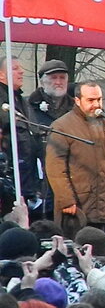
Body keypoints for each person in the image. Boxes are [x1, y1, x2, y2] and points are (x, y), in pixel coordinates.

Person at [45, 81, 105, 232]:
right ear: (78, 101)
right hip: (77, 205)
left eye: (99, 99)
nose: (96, 105)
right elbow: (55, 167)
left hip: (102, 203)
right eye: (91, 100)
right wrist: (66, 200)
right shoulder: (62, 126)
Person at [28, 59, 74, 220]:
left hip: (72, 177)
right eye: (54, 78)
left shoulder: (76, 109)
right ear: (42, 81)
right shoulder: (29, 108)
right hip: (41, 178)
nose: (58, 82)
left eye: (62, 78)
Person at [0, 56, 41, 214]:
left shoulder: (23, 101)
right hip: (9, 181)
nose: (22, 71)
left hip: (29, 181)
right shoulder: (4, 102)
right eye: (15, 68)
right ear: (1, 75)